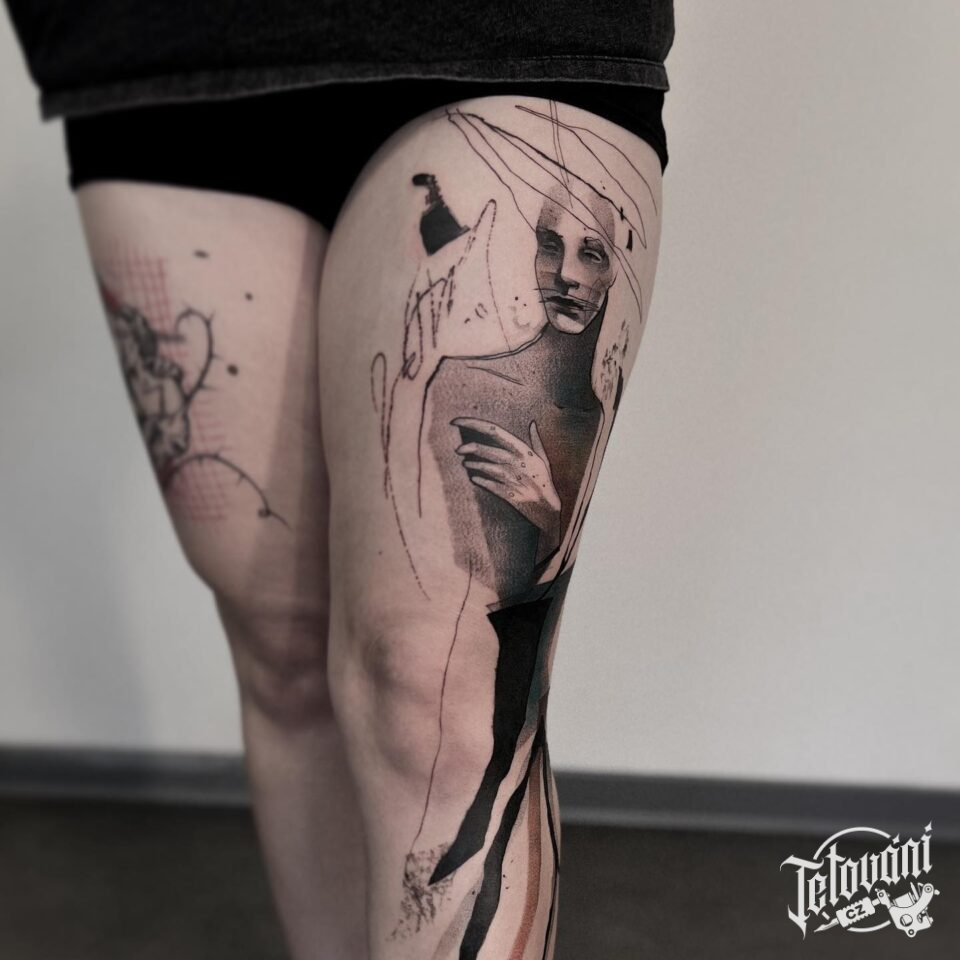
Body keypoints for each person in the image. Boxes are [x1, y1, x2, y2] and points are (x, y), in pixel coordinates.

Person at [3, 3, 674, 958]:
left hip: (518, 25)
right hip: (158, 43)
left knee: (439, 695)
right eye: (551, 248)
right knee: (287, 655)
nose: (565, 272)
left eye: (589, 254)